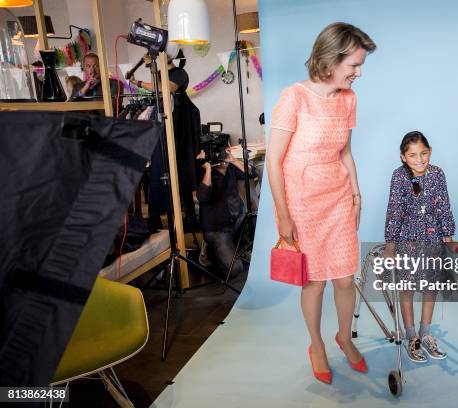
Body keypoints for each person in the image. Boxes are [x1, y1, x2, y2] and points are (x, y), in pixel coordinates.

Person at [267, 22, 376, 385]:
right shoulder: (293, 97)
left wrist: (357, 195)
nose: (359, 73)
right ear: (331, 60)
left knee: (345, 279)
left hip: (338, 196)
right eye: (354, 65)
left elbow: (345, 151)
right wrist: (282, 214)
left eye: (360, 66)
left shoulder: (348, 99)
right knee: (313, 282)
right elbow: (274, 160)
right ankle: (316, 345)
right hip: (303, 201)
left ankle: (343, 338)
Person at [383, 131, 456, 362]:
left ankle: (425, 333)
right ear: (403, 157)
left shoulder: (437, 174)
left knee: (430, 285)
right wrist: (390, 245)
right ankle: (411, 335)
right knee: (407, 287)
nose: (419, 159)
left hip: (433, 238)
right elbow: (395, 211)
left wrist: (449, 235)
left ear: (430, 151)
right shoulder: (399, 176)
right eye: (413, 155)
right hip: (407, 239)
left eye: (423, 153)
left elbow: (444, 205)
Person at [129, 45, 201, 233]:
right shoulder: (159, 74)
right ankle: (156, 217)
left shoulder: (179, 74)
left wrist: (138, 82)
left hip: (178, 130)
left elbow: (164, 89)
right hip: (162, 128)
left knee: (180, 173)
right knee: (158, 173)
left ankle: (188, 220)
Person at [196, 146, 257, 279]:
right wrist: (207, 169)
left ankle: (238, 249)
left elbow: (252, 174)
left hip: (235, 221)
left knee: (255, 218)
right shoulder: (205, 171)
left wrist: (233, 160)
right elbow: (203, 197)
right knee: (236, 269)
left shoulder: (231, 168)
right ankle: (210, 252)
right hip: (217, 229)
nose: (221, 157)